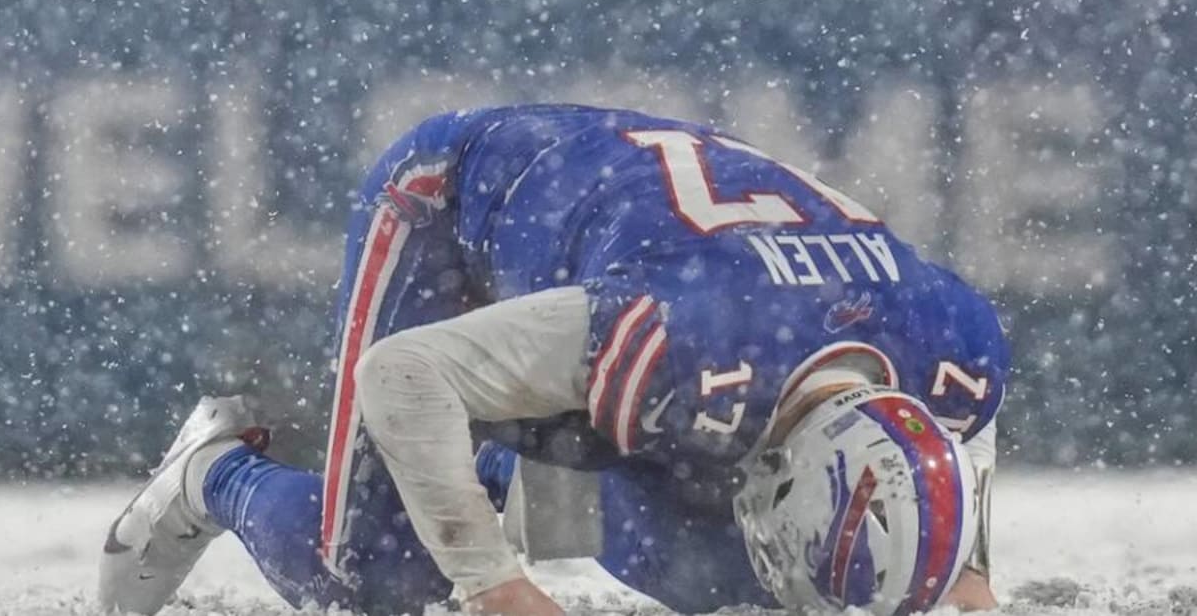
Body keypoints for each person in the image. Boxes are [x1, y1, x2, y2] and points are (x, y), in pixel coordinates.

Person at [98, 104, 1010, 615]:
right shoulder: (682, 339)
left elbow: (960, 422)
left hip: (683, 307)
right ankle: (210, 473)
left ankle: (515, 481)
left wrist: (961, 560)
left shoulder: (957, 350)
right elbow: (405, 376)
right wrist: (492, 584)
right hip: (456, 208)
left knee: (723, 582)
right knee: (370, 577)